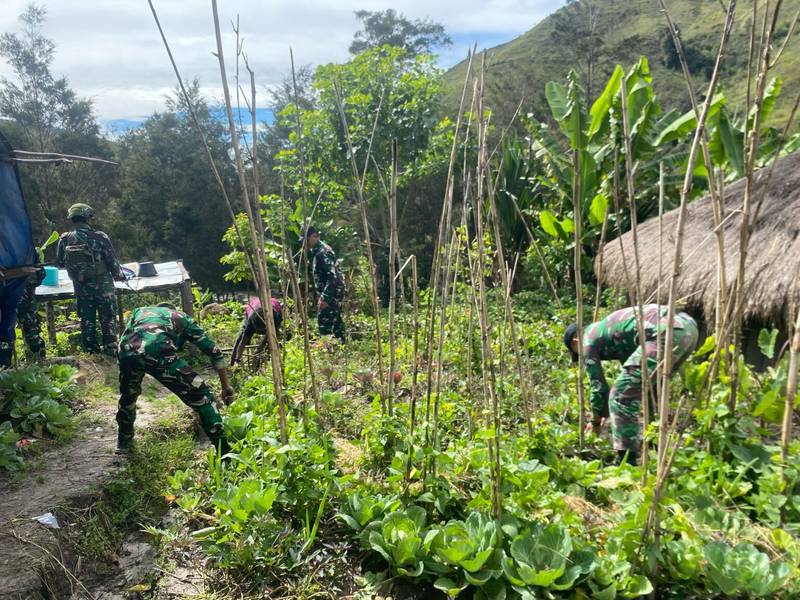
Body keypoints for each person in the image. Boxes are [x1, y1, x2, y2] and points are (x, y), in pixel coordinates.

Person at [564, 304, 698, 465]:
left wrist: (596, 422)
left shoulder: (587, 340)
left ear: (575, 341)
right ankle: (653, 442)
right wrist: (605, 413)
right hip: (688, 328)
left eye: (575, 352)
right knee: (646, 388)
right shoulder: (610, 332)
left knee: (620, 396)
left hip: (663, 330)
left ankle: (625, 460)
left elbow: (598, 387)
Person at [115, 303, 234, 455]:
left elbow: (128, 332)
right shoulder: (181, 317)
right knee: (204, 398)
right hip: (158, 350)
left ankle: (124, 443)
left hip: (127, 350)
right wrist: (226, 386)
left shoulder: (139, 311)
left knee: (128, 397)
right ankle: (225, 453)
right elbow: (213, 351)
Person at [56, 203, 124, 356]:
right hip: (103, 285)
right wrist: (118, 274)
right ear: (88, 218)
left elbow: (60, 263)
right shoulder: (100, 237)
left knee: (87, 319)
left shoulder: (65, 239)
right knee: (107, 317)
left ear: (72, 219)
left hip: (80, 286)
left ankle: (91, 353)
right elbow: (112, 262)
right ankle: (111, 352)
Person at [303, 226, 346, 341]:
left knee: (325, 323)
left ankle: (329, 352)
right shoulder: (318, 250)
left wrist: (325, 298)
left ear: (313, 237)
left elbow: (333, 277)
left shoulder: (322, 252)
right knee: (336, 323)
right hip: (334, 291)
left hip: (332, 292)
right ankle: (341, 350)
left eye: (305, 239)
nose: (303, 243)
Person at [230, 296, 283, 367]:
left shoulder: (275, 318)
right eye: (257, 330)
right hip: (254, 306)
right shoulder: (250, 322)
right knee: (240, 338)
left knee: (272, 341)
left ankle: (269, 363)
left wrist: (261, 346)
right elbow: (242, 343)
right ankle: (233, 363)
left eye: (261, 331)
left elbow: (272, 335)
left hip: (273, 306)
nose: (259, 332)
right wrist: (237, 360)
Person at [16, 266, 46, 362]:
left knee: (32, 333)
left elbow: (40, 272)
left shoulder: (27, 252)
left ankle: (38, 362)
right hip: (23, 299)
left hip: (25, 300)